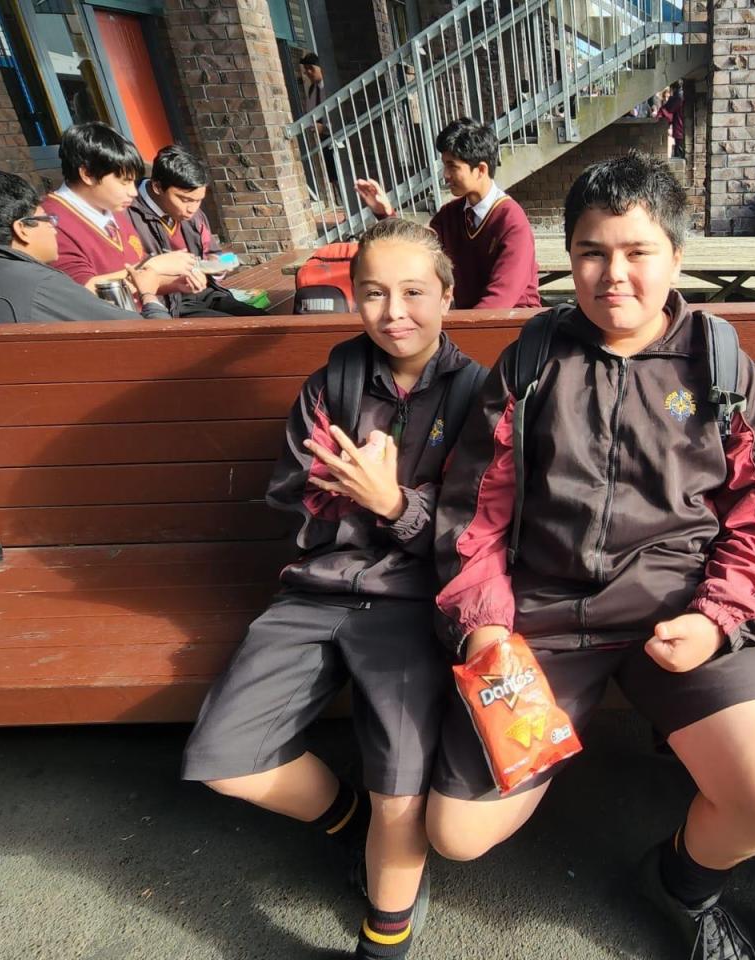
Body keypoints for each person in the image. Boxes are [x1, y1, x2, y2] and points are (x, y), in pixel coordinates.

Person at [427, 152, 755, 960]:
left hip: (677, 612)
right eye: (592, 253)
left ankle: (680, 879)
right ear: (569, 256)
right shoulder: (534, 362)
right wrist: (485, 626)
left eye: (638, 252)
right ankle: (558, 739)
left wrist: (716, 621)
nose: (614, 275)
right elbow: (474, 514)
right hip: (544, 618)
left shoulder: (720, 368)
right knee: (456, 833)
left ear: (676, 255)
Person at [181, 217, 482, 960]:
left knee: (402, 793)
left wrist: (393, 502)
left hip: (414, 603)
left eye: (414, 292)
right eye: (373, 293)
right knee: (224, 757)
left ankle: (385, 940)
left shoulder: (480, 395)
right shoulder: (333, 383)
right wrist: (372, 499)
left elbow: (475, 529)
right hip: (318, 590)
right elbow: (295, 489)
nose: (393, 312)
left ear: (448, 294)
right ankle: (348, 820)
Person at [355, 118, 540, 310]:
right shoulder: (450, 214)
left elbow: (501, 298)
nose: (445, 175)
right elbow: (416, 249)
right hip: (474, 319)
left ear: (481, 170)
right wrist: (385, 214)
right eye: (445, 165)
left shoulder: (511, 221)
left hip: (513, 322)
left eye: (452, 166)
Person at [40, 122, 200, 310]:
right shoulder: (51, 222)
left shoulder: (110, 208)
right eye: (125, 182)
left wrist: (175, 282)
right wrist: (154, 266)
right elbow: (81, 293)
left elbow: (138, 276)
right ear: (87, 174)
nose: (133, 192)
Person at [0, 169, 170, 322]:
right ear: (22, 229)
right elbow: (153, 335)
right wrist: (148, 295)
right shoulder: (44, 286)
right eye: (47, 218)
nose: (54, 228)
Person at [127, 144, 268, 317]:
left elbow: (212, 253)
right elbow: (132, 274)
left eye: (198, 200)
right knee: (238, 328)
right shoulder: (126, 213)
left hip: (203, 292)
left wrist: (216, 264)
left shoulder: (195, 215)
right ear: (157, 187)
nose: (192, 209)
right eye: (185, 200)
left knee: (263, 320)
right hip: (165, 304)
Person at [300, 52, 340, 187]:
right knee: (332, 176)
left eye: (311, 68)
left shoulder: (331, 87)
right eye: (306, 69)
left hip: (335, 136)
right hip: (322, 139)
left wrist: (325, 128)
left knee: (341, 172)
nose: (308, 72)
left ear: (321, 68)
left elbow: (339, 113)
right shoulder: (312, 90)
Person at [657, 79, 686, 158]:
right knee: (680, 151)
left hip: (679, 127)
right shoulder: (681, 95)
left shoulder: (677, 97)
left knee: (679, 153)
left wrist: (661, 111)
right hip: (681, 126)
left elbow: (669, 109)